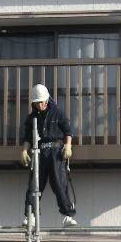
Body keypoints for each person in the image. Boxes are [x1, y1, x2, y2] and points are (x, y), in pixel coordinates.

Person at [21, 83, 77, 227]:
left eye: (41, 102)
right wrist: (24, 151)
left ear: (46, 100)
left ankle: (67, 215)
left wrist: (68, 146)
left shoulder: (58, 113)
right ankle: (31, 215)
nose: (39, 105)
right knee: (34, 185)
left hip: (56, 152)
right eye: (37, 102)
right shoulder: (32, 118)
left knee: (59, 183)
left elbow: (68, 131)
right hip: (39, 152)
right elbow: (28, 137)